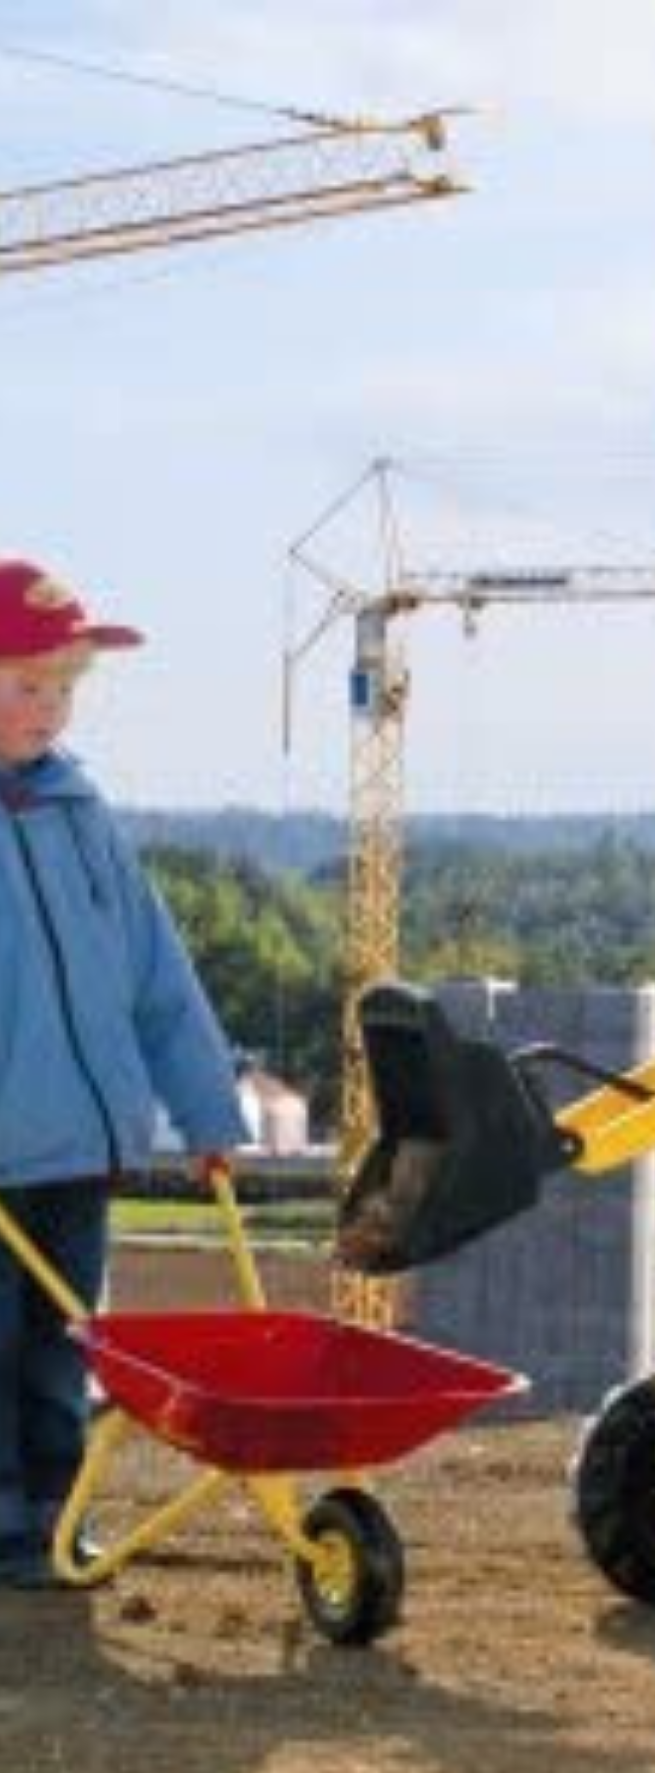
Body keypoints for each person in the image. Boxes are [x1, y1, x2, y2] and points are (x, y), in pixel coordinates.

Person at [0, 558, 249, 1588]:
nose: (50, 709)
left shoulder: (80, 813)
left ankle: (54, 1512)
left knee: (66, 1342)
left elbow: (157, 974)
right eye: (26, 684)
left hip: (79, 1145)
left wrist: (204, 1109)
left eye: (65, 686)